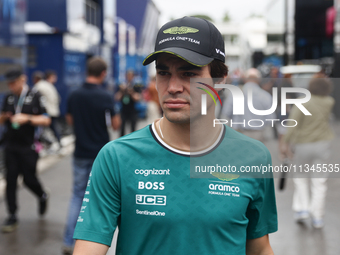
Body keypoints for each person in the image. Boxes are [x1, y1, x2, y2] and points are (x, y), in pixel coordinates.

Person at [73, 17, 277, 255]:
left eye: (189, 73)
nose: (172, 87)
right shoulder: (116, 157)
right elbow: (89, 245)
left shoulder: (253, 157)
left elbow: (260, 248)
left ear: (220, 80)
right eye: (163, 72)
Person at [62, 57, 120, 255]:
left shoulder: (74, 94)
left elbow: (69, 119)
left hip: (80, 151)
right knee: (100, 198)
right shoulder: (105, 96)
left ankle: (69, 241)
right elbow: (116, 124)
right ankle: (95, 243)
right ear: (103, 73)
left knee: (77, 195)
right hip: (101, 155)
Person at [0, 68, 51, 233]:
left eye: (14, 82)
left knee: (29, 179)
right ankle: (12, 215)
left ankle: (42, 195)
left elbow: (46, 120)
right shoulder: (8, 97)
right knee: (11, 180)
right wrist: (5, 117)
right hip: (11, 146)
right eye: (9, 83)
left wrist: (27, 118)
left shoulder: (35, 96)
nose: (11, 86)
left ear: (22, 80)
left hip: (28, 146)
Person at [282, 75, 334, 228]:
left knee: (300, 177)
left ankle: (303, 209)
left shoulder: (301, 103)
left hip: (303, 144)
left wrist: (286, 143)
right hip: (323, 144)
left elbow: (292, 125)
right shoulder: (329, 102)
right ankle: (318, 217)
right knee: (319, 181)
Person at [222, 68, 275, 142]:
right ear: (259, 80)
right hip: (258, 134)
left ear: (244, 79)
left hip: (239, 133)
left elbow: (226, 112)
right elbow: (270, 119)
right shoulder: (266, 96)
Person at [34, 70, 61, 149]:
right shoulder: (48, 85)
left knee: (43, 130)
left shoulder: (39, 86)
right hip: (54, 110)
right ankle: (57, 144)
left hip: (47, 112)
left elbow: (34, 96)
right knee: (53, 129)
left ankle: (48, 145)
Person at [115, 70, 142, 136]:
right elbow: (116, 98)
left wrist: (131, 92)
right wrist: (122, 91)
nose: (129, 77)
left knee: (133, 130)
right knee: (122, 129)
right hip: (123, 110)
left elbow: (138, 98)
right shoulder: (122, 86)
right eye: (128, 76)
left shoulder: (136, 86)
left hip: (132, 110)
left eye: (130, 76)